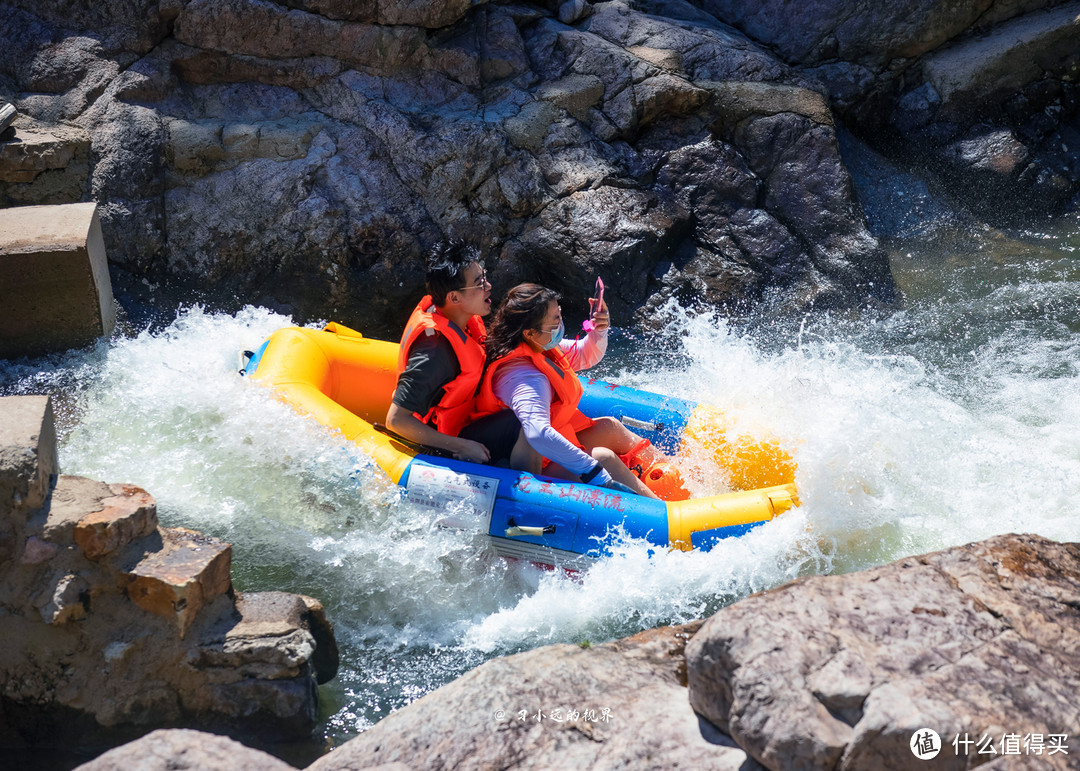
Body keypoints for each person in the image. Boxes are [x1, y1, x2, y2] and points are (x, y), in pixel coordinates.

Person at [474, 283, 688, 499]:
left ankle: (685, 481)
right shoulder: (525, 379)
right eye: (555, 319)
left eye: (559, 313)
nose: (560, 323)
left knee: (609, 427)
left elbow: (584, 354)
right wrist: (592, 470)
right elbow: (537, 433)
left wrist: (599, 329)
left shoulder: (538, 345)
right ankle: (667, 512)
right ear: (530, 332)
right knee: (604, 458)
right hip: (528, 469)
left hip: (549, 449)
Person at [385, 243, 535, 468]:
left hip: (467, 420)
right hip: (444, 446)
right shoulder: (434, 354)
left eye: (484, 276)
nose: (489, 286)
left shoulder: (461, 321)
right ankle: (529, 494)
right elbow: (395, 421)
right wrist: (461, 446)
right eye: (479, 283)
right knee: (528, 423)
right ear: (454, 298)